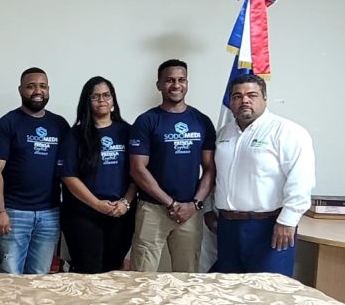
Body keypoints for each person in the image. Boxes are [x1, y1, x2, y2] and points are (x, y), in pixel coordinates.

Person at [205, 73, 315, 276]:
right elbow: (214, 176)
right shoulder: (223, 134)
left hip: (270, 227)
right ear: (231, 102)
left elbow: (301, 180)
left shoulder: (287, 132)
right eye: (237, 96)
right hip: (228, 228)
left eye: (252, 95)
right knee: (228, 290)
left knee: (268, 291)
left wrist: (288, 220)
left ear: (265, 98)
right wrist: (209, 210)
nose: (244, 100)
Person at [128, 59, 216, 273]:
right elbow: (138, 169)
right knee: (142, 277)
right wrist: (170, 203)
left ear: (187, 83)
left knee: (187, 277)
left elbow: (210, 169)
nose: (176, 85)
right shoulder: (146, 121)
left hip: (190, 211)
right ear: (159, 85)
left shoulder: (202, 121)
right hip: (153, 209)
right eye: (169, 80)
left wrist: (195, 204)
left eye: (181, 80)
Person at [0, 67, 70, 274]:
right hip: (14, 213)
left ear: (48, 89)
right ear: (20, 90)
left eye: (43, 86)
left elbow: (69, 170)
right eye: (31, 86)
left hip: (50, 213)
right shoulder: (7, 123)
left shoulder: (59, 125)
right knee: (10, 275)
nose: (38, 91)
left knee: (39, 275)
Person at [59, 77, 137, 273]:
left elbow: (137, 173)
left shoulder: (128, 132)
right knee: (89, 272)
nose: (102, 100)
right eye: (95, 96)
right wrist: (97, 204)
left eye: (106, 95)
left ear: (113, 100)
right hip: (83, 215)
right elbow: (68, 176)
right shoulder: (75, 135)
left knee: (112, 270)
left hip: (121, 214)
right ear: (86, 101)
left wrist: (125, 203)